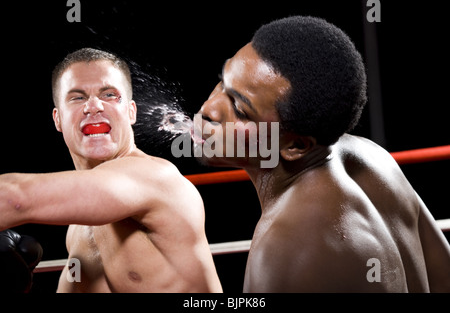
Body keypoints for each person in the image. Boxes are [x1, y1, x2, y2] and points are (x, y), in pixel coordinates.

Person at [194, 16, 450, 292]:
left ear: (295, 146)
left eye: (241, 111)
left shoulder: (288, 245)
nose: (210, 109)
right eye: (222, 81)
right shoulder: (374, 157)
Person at [0, 48, 222, 293]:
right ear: (58, 119)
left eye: (109, 94)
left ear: (131, 111)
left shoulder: (153, 177)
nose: (93, 106)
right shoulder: (77, 230)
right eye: (77, 97)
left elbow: (14, 198)